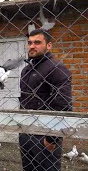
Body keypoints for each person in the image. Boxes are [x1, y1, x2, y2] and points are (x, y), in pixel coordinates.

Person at [19, 29, 72, 171]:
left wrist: (51, 140)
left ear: (49, 45)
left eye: (37, 42)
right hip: (26, 132)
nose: (32, 46)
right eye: (29, 43)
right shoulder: (26, 70)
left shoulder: (57, 69)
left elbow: (64, 106)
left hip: (45, 135)